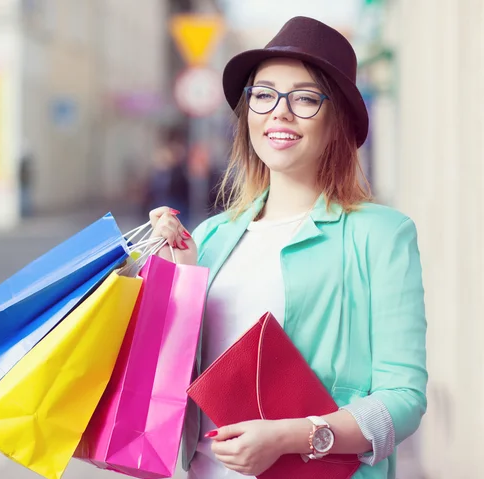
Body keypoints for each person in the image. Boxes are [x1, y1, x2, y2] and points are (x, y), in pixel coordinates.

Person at [149, 16, 427, 479]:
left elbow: (404, 399)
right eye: (263, 94)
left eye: (303, 98)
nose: (279, 112)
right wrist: (178, 281)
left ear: (336, 118)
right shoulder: (213, 236)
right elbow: (176, 384)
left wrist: (292, 436)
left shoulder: (381, 234)